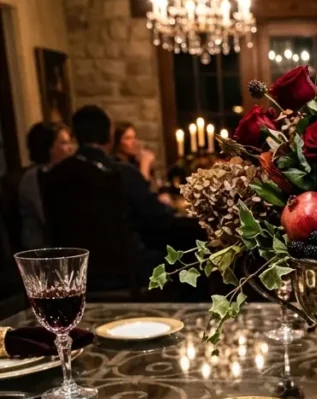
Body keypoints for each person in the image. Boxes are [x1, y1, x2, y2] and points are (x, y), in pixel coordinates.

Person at [41, 105, 201, 288]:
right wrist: (167, 206)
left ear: (76, 136)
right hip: (131, 267)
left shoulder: (53, 176)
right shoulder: (121, 173)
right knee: (191, 248)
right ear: (109, 136)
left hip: (74, 272)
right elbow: (160, 218)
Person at [18, 123, 74, 250]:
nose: (70, 148)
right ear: (48, 147)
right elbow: (45, 215)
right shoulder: (33, 177)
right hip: (42, 249)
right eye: (64, 143)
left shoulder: (66, 172)